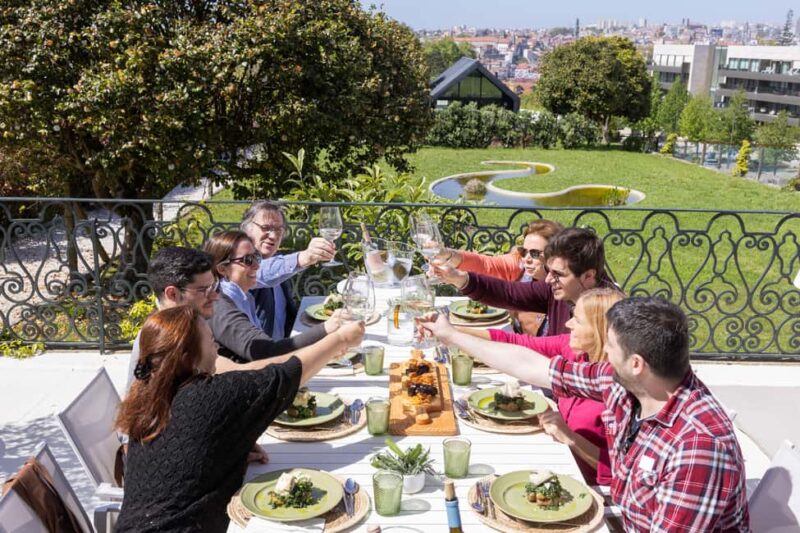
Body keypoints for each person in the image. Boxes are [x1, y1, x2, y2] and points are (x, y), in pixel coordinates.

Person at [418, 297, 749, 531]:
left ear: (637, 364)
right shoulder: (628, 384)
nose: (604, 352)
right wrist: (451, 336)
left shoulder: (699, 448)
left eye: (612, 347)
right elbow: (533, 366)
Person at [116, 305, 365, 532]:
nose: (216, 349)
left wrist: (227, 448)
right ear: (186, 358)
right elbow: (284, 376)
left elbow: (177, 455)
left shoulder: (146, 398)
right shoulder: (210, 397)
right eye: (211, 341)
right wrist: (340, 339)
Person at [476, 287, 623, 485]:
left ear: (600, 330)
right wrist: (449, 332)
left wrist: (571, 438)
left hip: (579, 484)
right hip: (551, 458)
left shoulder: (620, 389)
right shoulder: (575, 351)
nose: (567, 323)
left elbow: (619, 472)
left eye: (577, 320)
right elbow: (515, 343)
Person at [434, 227, 616, 337]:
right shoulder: (560, 289)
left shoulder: (608, 314)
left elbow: (551, 350)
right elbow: (509, 293)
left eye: (558, 274)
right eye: (549, 271)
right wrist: (458, 278)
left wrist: (456, 332)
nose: (549, 279)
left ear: (588, 276)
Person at [203, 230, 344, 363]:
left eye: (256, 257)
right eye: (247, 260)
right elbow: (265, 351)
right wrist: (326, 329)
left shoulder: (242, 296)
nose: (257, 266)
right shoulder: (219, 307)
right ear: (222, 269)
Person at [436, 219, 563, 336]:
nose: (527, 259)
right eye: (524, 251)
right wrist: (446, 255)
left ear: (555, 255)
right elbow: (486, 265)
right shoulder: (519, 265)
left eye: (535, 253)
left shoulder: (565, 291)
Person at [242, 201, 336, 340]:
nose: (273, 236)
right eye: (266, 227)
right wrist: (303, 257)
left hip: (285, 346)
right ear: (247, 230)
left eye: (279, 230)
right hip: (259, 356)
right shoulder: (237, 262)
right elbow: (257, 273)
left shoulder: (278, 263)